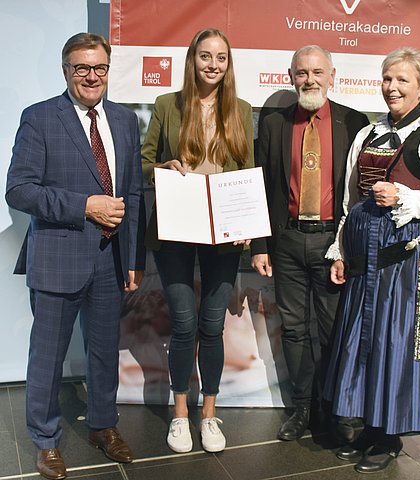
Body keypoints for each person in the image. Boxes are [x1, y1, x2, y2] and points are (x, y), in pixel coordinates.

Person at [5, 33, 146, 480]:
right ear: (65, 70)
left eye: (99, 67)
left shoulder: (124, 121)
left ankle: (104, 425)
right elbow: (19, 189)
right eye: (81, 68)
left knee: (104, 352)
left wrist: (134, 258)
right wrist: (84, 205)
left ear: (108, 70)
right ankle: (45, 441)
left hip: (110, 260)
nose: (91, 76)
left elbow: (135, 193)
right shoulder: (40, 118)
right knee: (47, 356)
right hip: (57, 259)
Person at [324, 47, 420, 473]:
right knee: (364, 342)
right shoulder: (367, 134)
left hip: (409, 262)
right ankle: (368, 428)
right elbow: (351, 201)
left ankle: (389, 436)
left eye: (403, 80)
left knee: (396, 344)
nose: (392, 87)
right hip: (365, 258)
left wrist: (407, 196)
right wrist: (341, 250)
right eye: (388, 79)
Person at [141, 28, 253, 454]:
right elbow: (144, 161)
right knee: (185, 324)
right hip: (176, 228)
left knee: (212, 324)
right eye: (205, 56)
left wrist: (251, 231)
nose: (212, 64)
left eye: (220, 58)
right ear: (192, 59)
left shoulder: (240, 109)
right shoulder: (167, 104)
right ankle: (180, 416)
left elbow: (248, 170)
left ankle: (209, 415)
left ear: (228, 64)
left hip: (223, 232)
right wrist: (164, 167)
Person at [250, 45, 369, 442]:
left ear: (332, 76)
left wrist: (352, 247)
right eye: (302, 73)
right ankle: (302, 408)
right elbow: (262, 188)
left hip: (334, 242)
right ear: (290, 76)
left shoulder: (356, 123)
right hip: (286, 242)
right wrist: (260, 246)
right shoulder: (273, 124)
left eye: (318, 72)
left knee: (335, 328)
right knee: (296, 330)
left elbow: (361, 193)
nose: (310, 80)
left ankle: (336, 408)